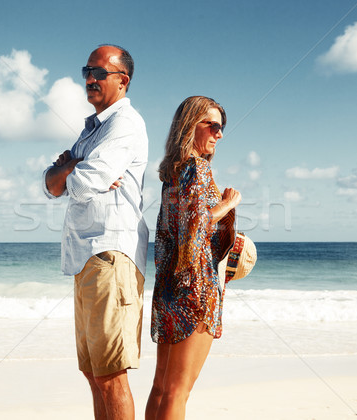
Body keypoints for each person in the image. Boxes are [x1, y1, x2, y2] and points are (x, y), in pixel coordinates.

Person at [42, 45, 149, 420]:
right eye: (87, 70)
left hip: (111, 255)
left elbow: (88, 180)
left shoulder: (126, 124)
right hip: (87, 257)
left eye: (100, 72)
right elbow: (51, 185)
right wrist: (73, 169)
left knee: (110, 376)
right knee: (93, 374)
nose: (90, 78)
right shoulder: (92, 131)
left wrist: (73, 168)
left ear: (123, 80)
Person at [145, 96, 241, 420]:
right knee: (178, 390)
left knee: (162, 386)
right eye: (212, 125)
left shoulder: (174, 171)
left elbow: (173, 236)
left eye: (221, 127)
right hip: (196, 289)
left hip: (170, 286)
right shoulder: (196, 168)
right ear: (190, 126)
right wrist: (228, 205)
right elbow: (194, 229)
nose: (219, 133)